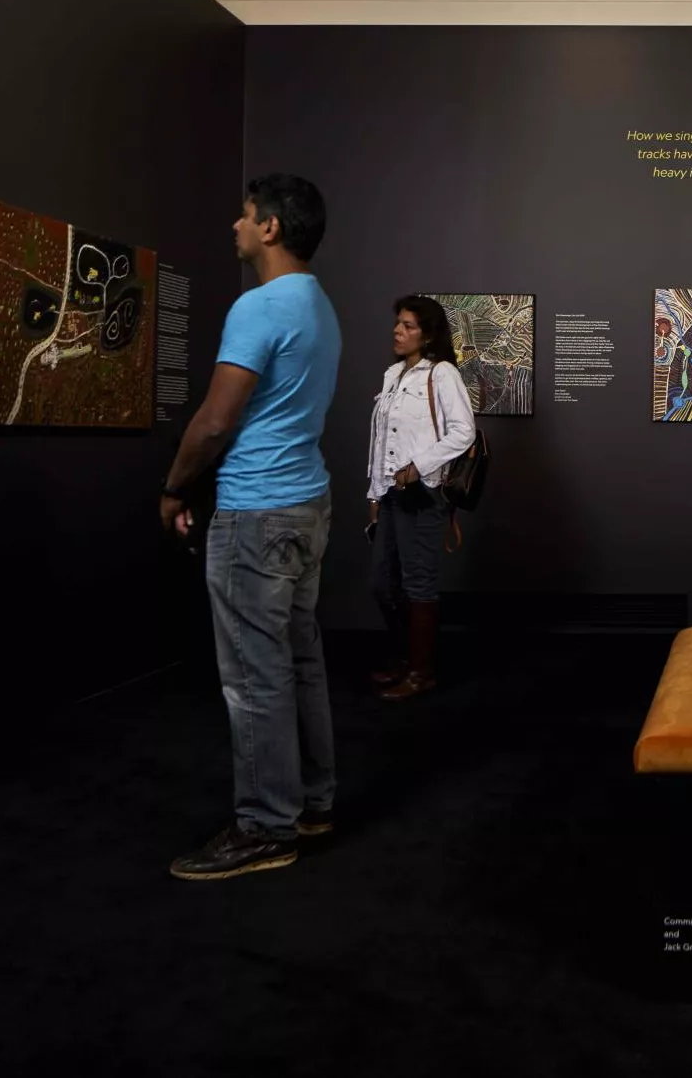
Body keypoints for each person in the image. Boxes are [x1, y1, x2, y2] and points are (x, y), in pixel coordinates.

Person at [161, 174, 342, 880]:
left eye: (242, 216)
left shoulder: (259, 305)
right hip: (307, 505)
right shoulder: (320, 306)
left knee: (253, 676)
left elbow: (215, 421)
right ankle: (312, 803)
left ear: (269, 227)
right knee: (300, 660)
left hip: (256, 511)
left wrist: (174, 487)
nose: (234, 228)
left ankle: (267, 825)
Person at [366, 295, 475, 700]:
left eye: (409, 325)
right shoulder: (392, 375)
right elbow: (380, 440)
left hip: (423, 494)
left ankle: (421, 671)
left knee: (418, 584)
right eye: (398, 323)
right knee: (382, 583)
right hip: (390, 496)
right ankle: (404, 658)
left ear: (427, 335)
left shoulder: (442, 373)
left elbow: (463, 431)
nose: (398, 330)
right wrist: (373, 493)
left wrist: (419, 464)